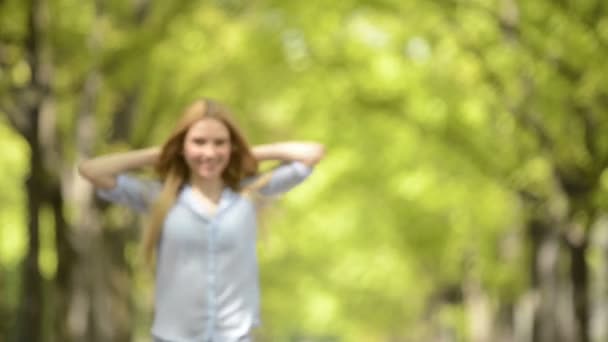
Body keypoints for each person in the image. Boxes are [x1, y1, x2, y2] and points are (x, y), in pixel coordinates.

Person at [78, 98, 325, 342]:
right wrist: (164, 154)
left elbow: (312, 154)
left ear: (232, 146)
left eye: (220, 143)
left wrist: (246, 154)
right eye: (199, 142)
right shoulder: (160, 197)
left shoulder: (250, 193)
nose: (209, 152)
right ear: (183, 146)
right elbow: (91, 170)